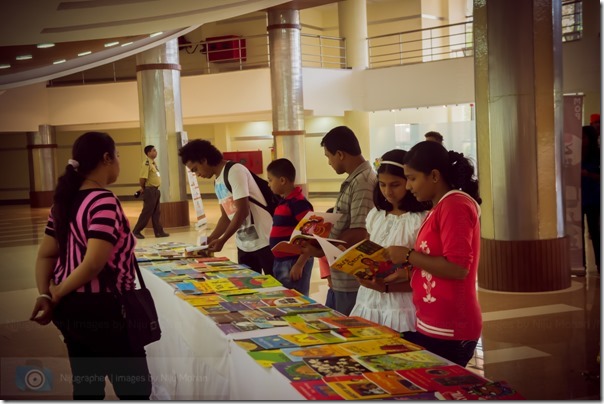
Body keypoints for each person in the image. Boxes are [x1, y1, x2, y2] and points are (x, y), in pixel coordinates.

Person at [30, 131, 152, 399]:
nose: (118, 161)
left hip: (70, 310)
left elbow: (46, 255)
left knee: (87, 386)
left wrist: (46, 294)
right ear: (107, 158)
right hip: (105, 310)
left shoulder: (64, 201)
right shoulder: (103, 200)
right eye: (117, 155)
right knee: (135, 389)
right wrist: (57, 292)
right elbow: (94, 263)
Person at [383, 140, 482, 368]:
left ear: (435, 176)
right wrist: (407, 274)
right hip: (434, 322)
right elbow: (434, 261)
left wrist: (407, 255)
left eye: (412, 178)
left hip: (451, 326)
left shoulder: (454, 205)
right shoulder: (439, 207)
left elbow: (458, 269)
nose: (408, 186)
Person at [350, 149, 430, 333]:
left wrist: (396, 279)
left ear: (409, 182)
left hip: (401, 300)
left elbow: (426, 265)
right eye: (382, 185)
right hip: (369, 297)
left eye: (395, 185)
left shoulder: (418, 219)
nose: (388, 192)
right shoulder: (376, 215)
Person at [302, 126, 376, 315]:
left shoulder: (363, 182)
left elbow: (360, 232)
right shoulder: (355, 180)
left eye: (328, 156)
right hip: (341, 278)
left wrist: (321, 247)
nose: (329, 162)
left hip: (353, 281)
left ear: (340, 154)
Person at [178, 139, 274, 275]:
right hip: (244, 245)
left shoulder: (234, 171)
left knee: (276, 286)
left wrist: (223, 240)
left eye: (195, 169)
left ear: (204, 160)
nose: (197, 174)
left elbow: (243, 211)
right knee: (250, 287)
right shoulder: (217, 181)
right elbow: (226, 217)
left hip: (264, 242)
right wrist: (212, 238)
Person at [266, 158, 314, 295]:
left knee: (296, 300)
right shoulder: (285, 201)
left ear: (282, 180)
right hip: (281, 261)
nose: (269, 185)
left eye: (270, 180)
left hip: (293, 262)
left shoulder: (299, 203)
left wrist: (299, 264)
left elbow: (310, 236)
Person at [132, 145, 169, 239]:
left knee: (156, 212)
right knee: (147, 212)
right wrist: (143, 188)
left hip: (155, 190)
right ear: (148, 153)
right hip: (150, 191)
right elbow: (142, 178)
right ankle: (136, 231)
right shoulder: (146, 163)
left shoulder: (153, 164)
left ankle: (159, 232)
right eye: (153, 150)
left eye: (156, 150)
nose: (156, 152)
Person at [581, 125, 600, 274]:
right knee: (577, 233)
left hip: (594, 198)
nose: (581, 140)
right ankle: (580, 265)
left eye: (584, 137)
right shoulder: (575, 154)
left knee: (595, 233)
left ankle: (600, 265)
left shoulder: (598, 155)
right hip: (578, 199)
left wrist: (587, 174)